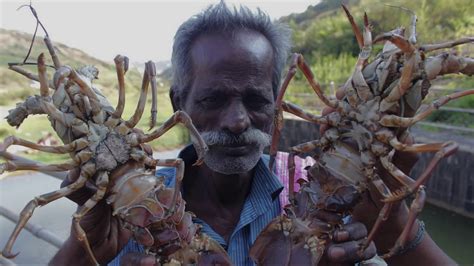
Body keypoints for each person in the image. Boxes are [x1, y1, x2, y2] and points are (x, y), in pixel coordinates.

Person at [50, 2, 455, 266]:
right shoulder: (120, 218)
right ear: (178, 104)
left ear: (279, 102)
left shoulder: (342, 193)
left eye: (257, 99)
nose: (238, 121)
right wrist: (81, 253)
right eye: (213, 99)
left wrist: (389, 223)